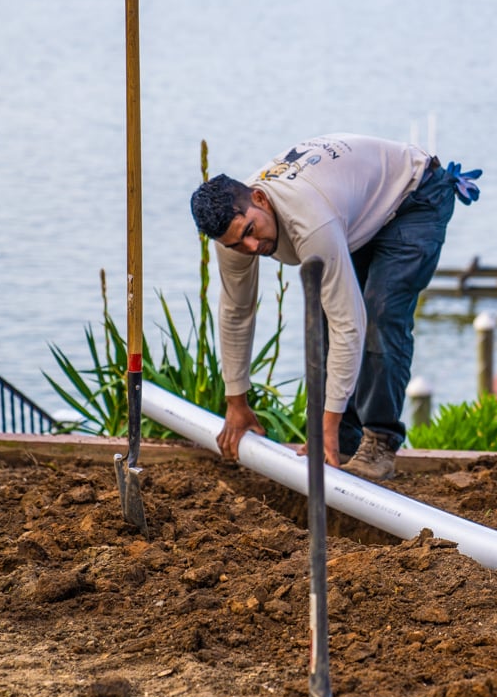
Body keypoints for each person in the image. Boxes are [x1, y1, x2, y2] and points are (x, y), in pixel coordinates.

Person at [190, 133, 480, 481]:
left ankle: (379, 442)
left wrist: (323, 427)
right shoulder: (232, 234)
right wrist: (236, 402)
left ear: (259, 198)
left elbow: (350, 324)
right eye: (238, 243)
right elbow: (236, 313)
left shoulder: (309, 220)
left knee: (380, 312)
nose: (251, 246)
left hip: (414, 197)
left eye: (251, 230)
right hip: (357, 212)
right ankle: (341, 442)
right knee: (328, 314)